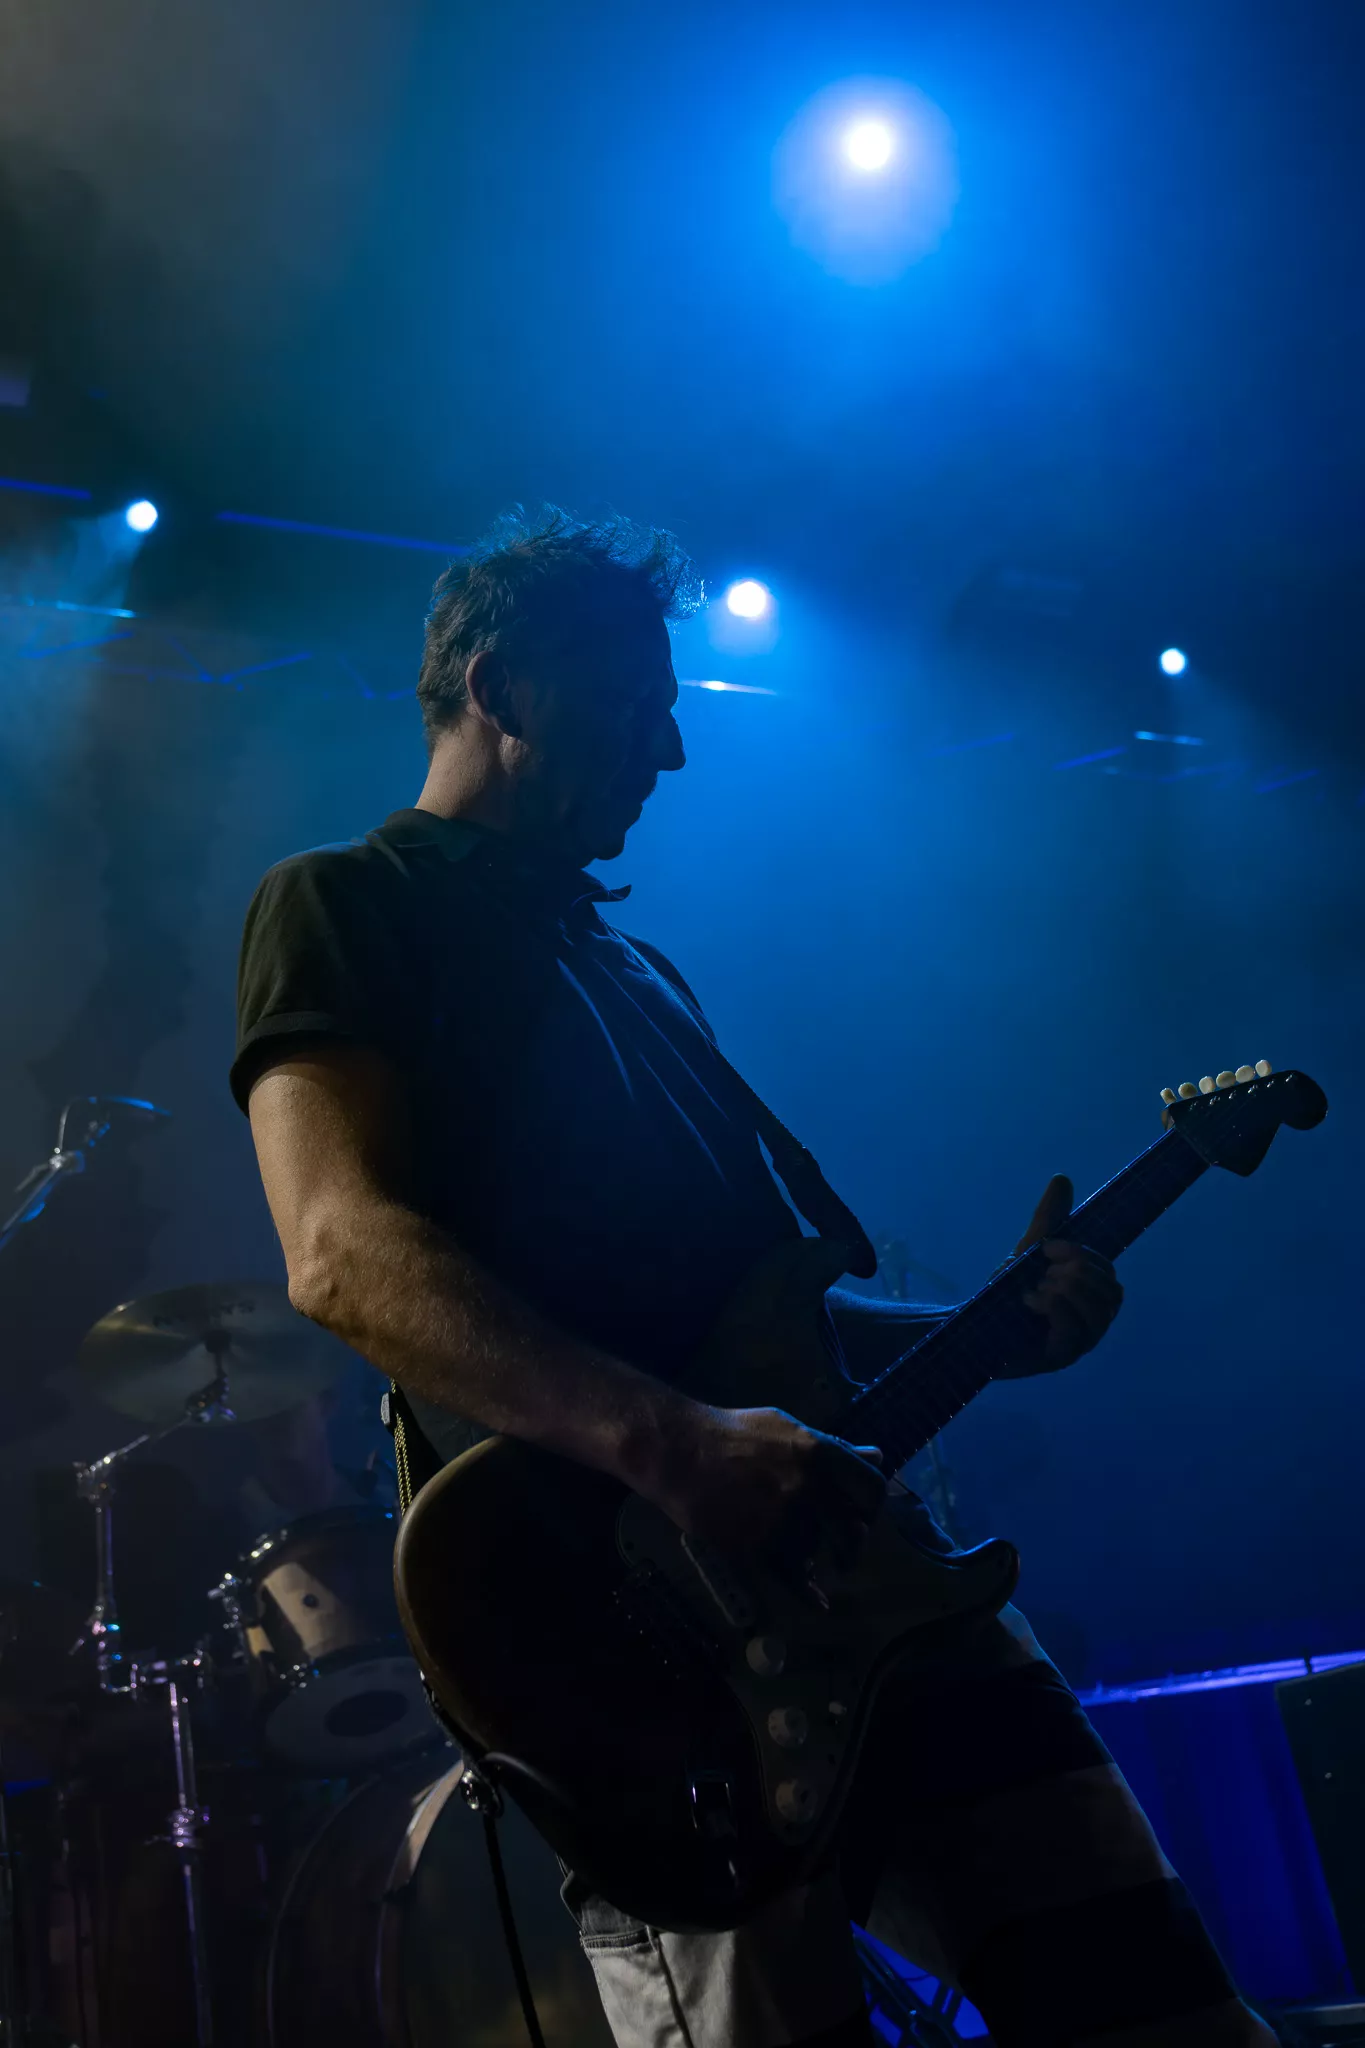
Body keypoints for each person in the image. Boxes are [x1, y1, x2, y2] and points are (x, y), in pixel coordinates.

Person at [231, 510, 1276, 2048]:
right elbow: (339, 1252)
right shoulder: (344, 904)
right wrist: (673, 1447)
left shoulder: (630, 970)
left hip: (869, 1581)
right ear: (501, 687)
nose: (669, 752)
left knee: (1157, 2005)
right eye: (633, 706)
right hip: (640, 1647)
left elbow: (766, 1325)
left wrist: (987, 1331)